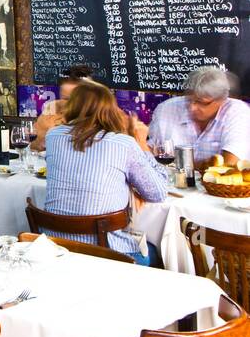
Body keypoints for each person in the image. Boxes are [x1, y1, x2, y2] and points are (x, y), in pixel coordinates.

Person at [43, 81, 166, 264]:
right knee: (159, 252)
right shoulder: (123, 144)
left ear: (73, 106)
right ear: (111, 109)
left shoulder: (53, 136)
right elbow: (157, 193)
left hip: (57, 248)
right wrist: (141, 143)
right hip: (109, 254)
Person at [149, 66, 250, 171]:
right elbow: (152, 154)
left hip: (218, 187)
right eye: (189, 99)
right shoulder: (167, 109)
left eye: (201, 102)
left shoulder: (238, 112)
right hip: (171, 184)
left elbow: (229, 166)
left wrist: (179, 165)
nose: (192, 108)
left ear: (221, 99)